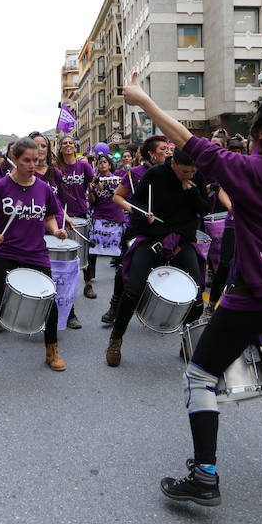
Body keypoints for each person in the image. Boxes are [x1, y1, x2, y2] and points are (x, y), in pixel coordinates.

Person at [124, 70, 262, 505]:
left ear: (258, 134)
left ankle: (205, 475)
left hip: (254, 294)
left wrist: (142, 99)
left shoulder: (247, 169)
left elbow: (185, 137)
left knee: (200, 374)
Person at [0, 137, 68, 382]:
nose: (33, 164)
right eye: (27, 160)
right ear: (15, 159)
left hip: (36, 253)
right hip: (6, 252)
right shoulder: (1, 187)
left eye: (36, 160)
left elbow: (50, 216)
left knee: (50, 303)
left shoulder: (43, 188)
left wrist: (55, 230)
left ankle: (51, 350)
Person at [104, 148, 209, 366]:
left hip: (182, 241)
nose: (188, 175)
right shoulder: (154, 175)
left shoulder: (196, 176)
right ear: (173, 164)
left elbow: (205, 210)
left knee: (197, 296)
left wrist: (192, 192)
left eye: (192, 171)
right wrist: (144, 213)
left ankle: (187, 342)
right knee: (132, 290)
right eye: (184, 172)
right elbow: (137, 202)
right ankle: (116, 338)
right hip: (152, 238)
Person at [101, 135, 171, 324]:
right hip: (137, 228)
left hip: (164, 230)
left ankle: (158, 308)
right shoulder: (134, 173)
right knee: (125, 267)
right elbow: (117, 197)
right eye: (163, 149)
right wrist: (134, 209)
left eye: (168, 148)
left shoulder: (173, 172)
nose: (167, 152)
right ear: (151, 154)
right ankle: (115, 306)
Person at [56, 133, 95, 317]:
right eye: (65, 143)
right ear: (60, 147)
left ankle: (88, 284)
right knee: (65, 254)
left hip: (80, 211)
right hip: (62, 214)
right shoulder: (57, 167)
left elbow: (89, 183)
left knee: (85, 250)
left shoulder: (83, 165)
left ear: (75, 146)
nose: (68, 145)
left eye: (71, 142)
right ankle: (63, 287)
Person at [86, 154, 126, 299]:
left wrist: (106, 186)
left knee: (120, 248)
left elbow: (118, 195)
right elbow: (93, 201)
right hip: (99, 216)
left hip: (115, 216)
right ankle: (89, 278)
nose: (102, 164)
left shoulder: (116, 179)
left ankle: (120, 274)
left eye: (105, 162)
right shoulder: (94, 180)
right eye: (99, 162)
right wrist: (91, 189)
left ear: (109, 165)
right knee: (92, 248)